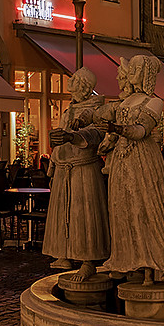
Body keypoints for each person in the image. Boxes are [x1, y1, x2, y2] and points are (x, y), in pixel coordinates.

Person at [101, 55, 164, 283]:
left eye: (136, 69)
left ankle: (153, 263)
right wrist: (106, 140)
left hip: (143, 161)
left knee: (146, 209)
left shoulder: (154, 102)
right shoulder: (124, 102)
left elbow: (140, 131)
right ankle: (126, 259)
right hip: (121, 162)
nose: (132, 72)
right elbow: (112, 135)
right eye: (132, 68)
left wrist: (115, 128)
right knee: (122, 209)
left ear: (145, 74)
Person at [43, 69, 111, 279]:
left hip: (84, 168)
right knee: (63, 213)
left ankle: (87, 260)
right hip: (65, 168)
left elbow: (96, 134)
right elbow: (59, 136)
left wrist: (72, 137)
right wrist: (54, 162)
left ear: (83, 86)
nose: (70, 83)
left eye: (73, 81)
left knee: (85, 216)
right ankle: (64, 252)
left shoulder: (97, 108)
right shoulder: (69, 108)